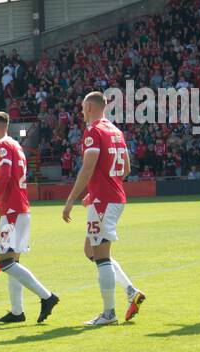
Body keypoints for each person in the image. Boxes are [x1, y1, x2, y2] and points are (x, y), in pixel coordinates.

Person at [61, 92, 145, 325]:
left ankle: (109, 314)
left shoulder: (93, 131)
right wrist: (95, 191)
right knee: (91, 251)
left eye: (82, 107)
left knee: (100, 255)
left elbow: (87, 168)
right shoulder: (115, 131)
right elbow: (126, 168)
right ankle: (130, 291)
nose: (81, 112)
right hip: (112, 198)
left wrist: (71, 200)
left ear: (89, 107)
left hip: (104, 202)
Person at [0, 112, 58, 324]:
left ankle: (47, 297)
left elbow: (4, 177)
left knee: (4, 262)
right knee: (12, 261)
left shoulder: (3, 146)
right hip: (20, 209)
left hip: (12, 212)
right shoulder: (16, 146)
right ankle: (17, 311)